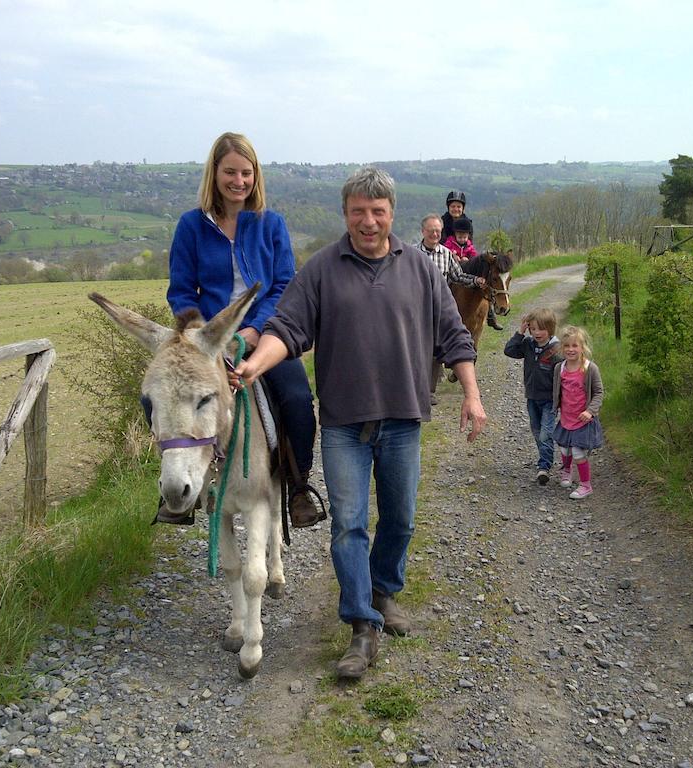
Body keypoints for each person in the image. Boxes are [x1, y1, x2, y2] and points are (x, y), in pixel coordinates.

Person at [231, 168, 487, 679]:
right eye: (357, 212)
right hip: (345, 422)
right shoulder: (323, 269)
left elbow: (453, 335)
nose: (367, 222)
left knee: (400, 518)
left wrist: (473, 396)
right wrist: (255, 365)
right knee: (349, 524)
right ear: (345, 213)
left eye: (377, 212)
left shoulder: (419, 268)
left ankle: (385, 591)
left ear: (391, 214)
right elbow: (288, 327)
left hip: (403, 417)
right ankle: (362, 627)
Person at [166, 131, 323, 528]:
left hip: (266, 333)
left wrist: (253, 332)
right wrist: (208, 337)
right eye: (230, 172)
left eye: (246, 173)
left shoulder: (270, 224)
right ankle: (176, 488)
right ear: (214, 173)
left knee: (297, 399)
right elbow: (182, 291)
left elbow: (285, 285)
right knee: (160, 398)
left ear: (256, 176)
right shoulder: (191, 226)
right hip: (208, 341)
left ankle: (298, 485)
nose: (239, 181)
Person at [416, 213, 484, 404]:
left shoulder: (446, 254)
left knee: (434, 349)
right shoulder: (412, 254)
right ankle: (411, 388)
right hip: (415, 308)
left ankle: (428, 391)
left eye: (438, 231)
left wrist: (476, 281)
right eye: (431, 231)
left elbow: (458, 277)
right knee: (413, 347)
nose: (435, 234)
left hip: (437, 309)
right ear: (423, 232)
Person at [504, 309, 563, 485]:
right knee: (537, 431)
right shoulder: (528, 344)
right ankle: (544, 458)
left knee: (546, 432)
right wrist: (520, 332)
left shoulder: (556, 350)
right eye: (533, 329)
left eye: (541, 329)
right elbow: (509, 351)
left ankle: (544, 466)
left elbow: (563, 377)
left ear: (550, 329)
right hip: (532, 397)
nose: (537, 333)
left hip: (549, 400)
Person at [552, 325, 604, 499]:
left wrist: (590, 411)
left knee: (578, 452)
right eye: (566, 346)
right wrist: (554, 408)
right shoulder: (560, 368)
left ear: (583, 347)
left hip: (583, 420)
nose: (570, 349)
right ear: (561, 348)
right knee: (564, 449)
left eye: (575, 346)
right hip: (566, 417)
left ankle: (585, 485)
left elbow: (599, 392)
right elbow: (557, 391)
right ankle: (567, 471)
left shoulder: (590, 369)